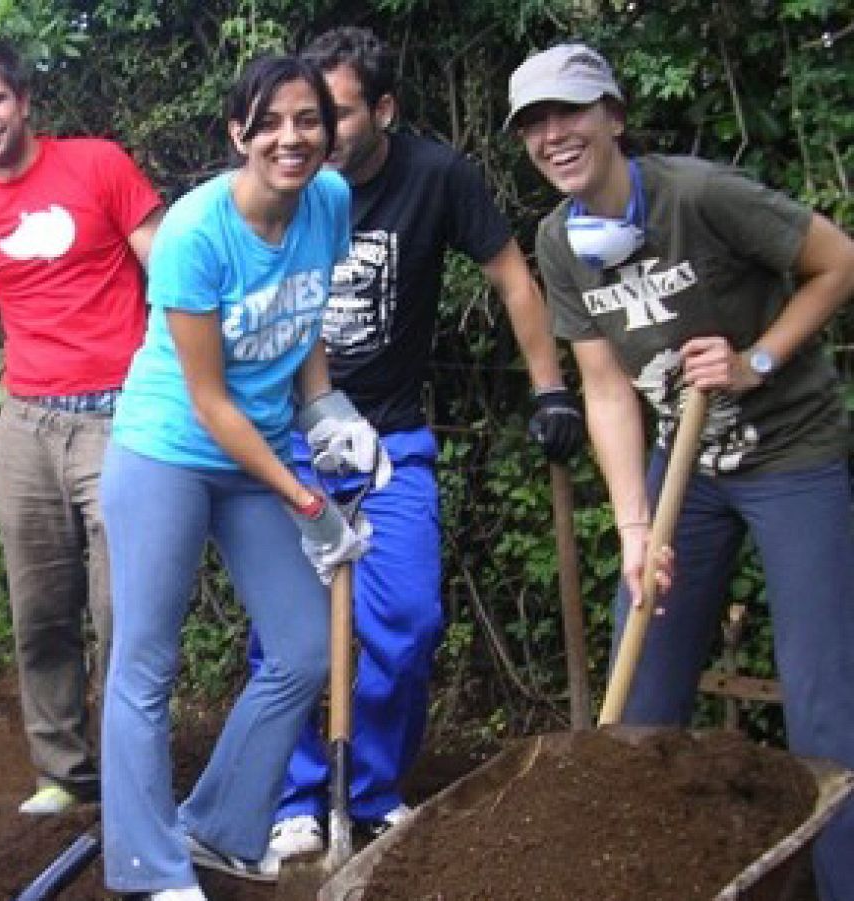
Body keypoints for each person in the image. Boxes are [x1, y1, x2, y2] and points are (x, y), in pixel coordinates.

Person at [507, 42, 854, 900]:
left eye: (571, 112)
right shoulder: (558, 244)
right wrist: (634, 525)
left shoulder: (700, 197)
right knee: (643, 680)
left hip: (790, 452)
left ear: (614, 116)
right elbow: (607, 391)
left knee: (824, 696)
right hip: (686, 470)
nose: (555, 135)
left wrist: (757, 363)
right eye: (535, 123)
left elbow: (838, 261)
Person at [258, 26, 584, 864]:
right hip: (293, 442)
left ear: (385, 108)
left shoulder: (437, 176)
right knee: (288, 632)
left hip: (392, 440)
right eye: (308, 113)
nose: (316, 132)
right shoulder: (288, 183)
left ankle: (365, 790)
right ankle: (294, 796)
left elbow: (513, 276)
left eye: (338, 111)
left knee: (407, 619)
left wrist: (550, 388)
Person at [101, 54, 372, 900]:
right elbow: (211, 400)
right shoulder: (194, 232)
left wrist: (326, 410)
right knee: (146, 661)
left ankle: (218, 824)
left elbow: (304, 320)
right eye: (271, 123)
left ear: (328, 131)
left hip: (255, 449)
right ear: (238, 133)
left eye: (309, 120)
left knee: (302, 645)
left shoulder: (328, 199)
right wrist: (306, 498)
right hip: (168, 450)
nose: (291, 139)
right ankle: (150, 867)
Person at [0, 37, 164, 814]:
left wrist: (179, 379)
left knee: (123, 605)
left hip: (122, 413)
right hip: (27, 424)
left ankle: (130, 772)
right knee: (40, 608)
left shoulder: (98, 166)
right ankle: (64, 773)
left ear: (23, 102)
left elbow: (171, 267)